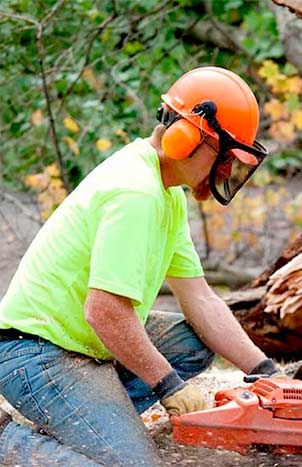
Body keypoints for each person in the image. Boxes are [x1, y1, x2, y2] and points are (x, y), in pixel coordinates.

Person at [0, 66, 281, 466]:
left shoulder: (167, 193)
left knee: (192, 343)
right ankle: (8, 439)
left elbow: (199, 298)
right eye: (223, 158)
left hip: (83, 342)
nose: (224, 173)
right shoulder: (136, 192)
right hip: (38, 352)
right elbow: (104, 311)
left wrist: (264, 369)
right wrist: (167, 384)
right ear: (188, 138)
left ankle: (89, 420)